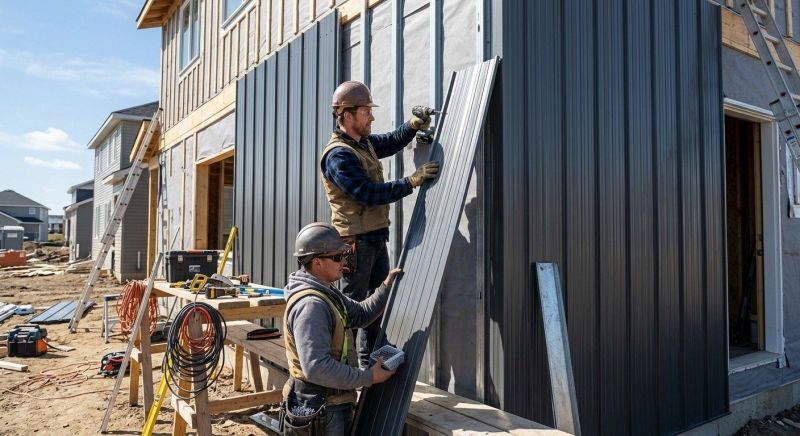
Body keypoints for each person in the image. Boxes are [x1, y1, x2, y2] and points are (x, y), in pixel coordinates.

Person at [320, 80, 439, 368]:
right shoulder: (338, 155)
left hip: (374, 238)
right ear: (347, 115)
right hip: (355, 243)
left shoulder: (362, 144)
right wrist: (410, 182)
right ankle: (344, 370)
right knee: (353, 309)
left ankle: (370, 363)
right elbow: (367, 194)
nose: (372, 117)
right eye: (366, 112)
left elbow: (391, 141)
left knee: (378, 303)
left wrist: (413, 125)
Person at [281, 222, 402, 435]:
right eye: (337, 257)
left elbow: (360, 315)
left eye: (344, 255)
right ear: (317, 262)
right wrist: (368, 377)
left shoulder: (327, 292)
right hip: (322, 409)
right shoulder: (311, 306)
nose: (344, 261)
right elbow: (316, 367)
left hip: (331, 402)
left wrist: (386, 288)